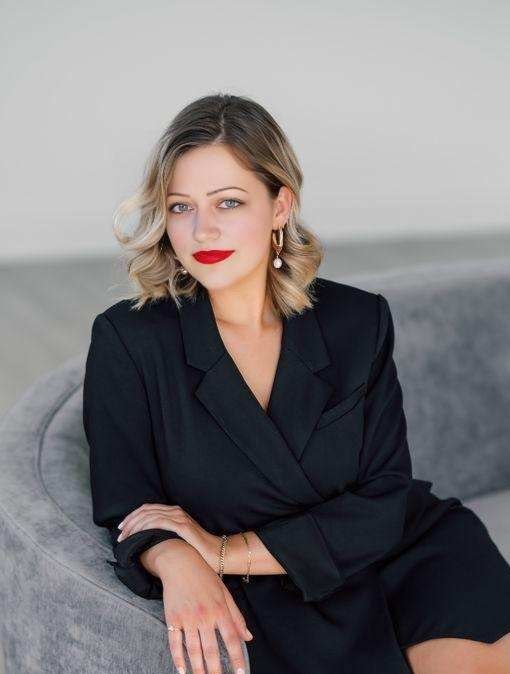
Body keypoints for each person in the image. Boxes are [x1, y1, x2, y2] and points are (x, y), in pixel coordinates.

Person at [82, 92, 510, 674]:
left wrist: (222, 553)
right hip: (275, 600)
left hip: (403, 558)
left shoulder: (359, 321)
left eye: (228, 202)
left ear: (280, 205)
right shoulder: (130, 339)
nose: (203, 230)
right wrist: (178, 561)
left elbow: (385, 499)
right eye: (181, 207)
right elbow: (128, 505)